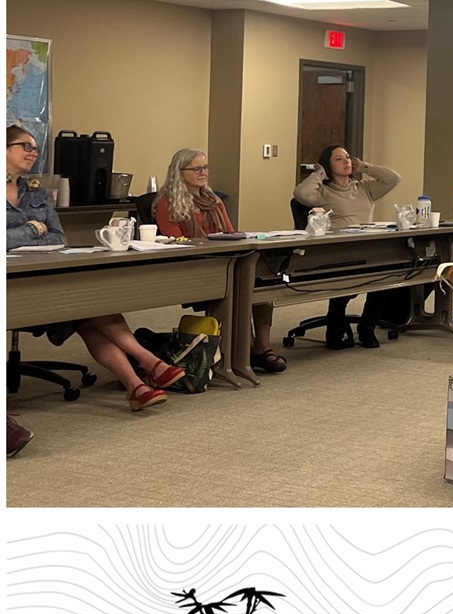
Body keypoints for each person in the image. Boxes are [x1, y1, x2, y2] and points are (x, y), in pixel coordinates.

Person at [6, 125, 183, 411]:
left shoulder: (35, 192)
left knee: (87, 307)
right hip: (13, 289)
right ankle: (149, 363)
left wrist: (24, 235)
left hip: (44, 279)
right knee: (86, 309)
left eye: (35, 148)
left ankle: (136, 385)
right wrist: (31, 229)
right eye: (25, 146)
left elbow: (57, 236)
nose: (33, 153)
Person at [156, 146, 285, 373]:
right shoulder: (168, 203)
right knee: (242, 287)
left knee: (263, 282)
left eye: (205, 167)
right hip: (195, 265)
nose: (203, 172)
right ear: (179, 172)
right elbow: (174, 242)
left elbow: (230, 232)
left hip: (224, 260)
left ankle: (261, 348)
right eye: (196, 168)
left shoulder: (213, 199)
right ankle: (245, 351)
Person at [293, 145, 402, 349]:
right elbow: (300, 194)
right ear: (327, 165)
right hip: (338, 250)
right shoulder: (322, 192)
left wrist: (365, 167)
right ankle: (334, 325)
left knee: (387, 274)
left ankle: (367, 327)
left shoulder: (364, 188)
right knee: (345, 278)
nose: (347, 162)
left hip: (367, 246)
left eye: (348, 158)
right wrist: (319, 174)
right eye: (339, 159)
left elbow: (393, 178)